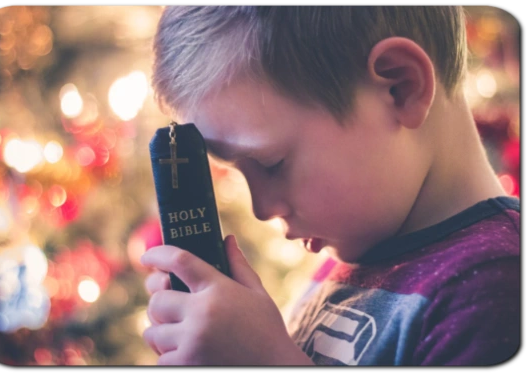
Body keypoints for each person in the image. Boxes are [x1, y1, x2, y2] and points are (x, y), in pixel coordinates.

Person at [140, 4, 519, 365]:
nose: (261, 209)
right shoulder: (347, 262)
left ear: (399, 88)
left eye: (272, 164)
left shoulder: (495, 285)